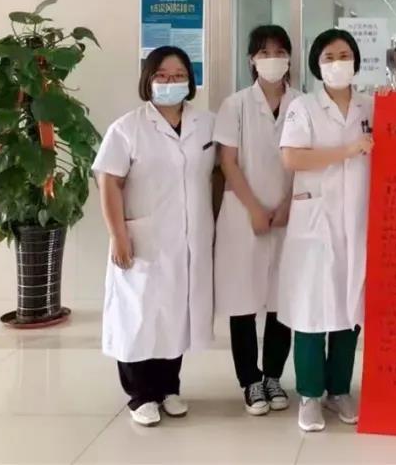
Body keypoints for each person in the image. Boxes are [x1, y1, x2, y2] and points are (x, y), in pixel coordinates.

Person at [93, 46, 215, 427]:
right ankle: (140, 394)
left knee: (176, 314)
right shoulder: (127, 128)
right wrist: (118, 235)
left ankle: (168, 388)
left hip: (189, 239)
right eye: (162, 75)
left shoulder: (205, 124)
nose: (170, 82)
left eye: (179, 75)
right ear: (148, 80)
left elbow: (216, 174)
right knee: (139, 317)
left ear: (190, 81)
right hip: (143, 236)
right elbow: (109, 183)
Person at [278, 28, 374, 433]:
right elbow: (292, 158)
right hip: (315, 222)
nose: (338, 63)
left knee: (349, 307)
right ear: (317, 65)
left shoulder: (370, 104)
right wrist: (348, 151)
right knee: (312, 308)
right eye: (329, 57)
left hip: (358, 219)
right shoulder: (303, 106)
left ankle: (339, 390)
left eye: (345, 55)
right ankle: (310, 395)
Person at [214, 25, 300, 416]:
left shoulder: (301, 104)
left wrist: (286, 206)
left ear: (289, 59)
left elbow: (303, 161)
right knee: (243, 299)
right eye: (264, 52)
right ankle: (250, 380)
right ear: (251, 60)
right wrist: (254, 209)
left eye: (280, 52)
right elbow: (228, 162)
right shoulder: (235, 105)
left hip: (289, 213)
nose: (273, 59)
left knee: (282, 299)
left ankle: (273, 377)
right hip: (242, 213)